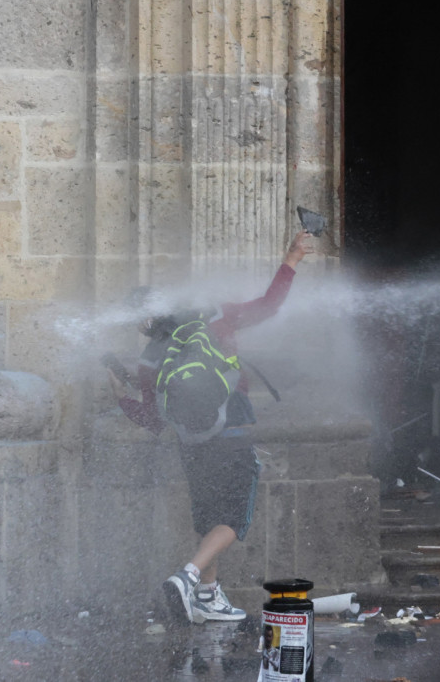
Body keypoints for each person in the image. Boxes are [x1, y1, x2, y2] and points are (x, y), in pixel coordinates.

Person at [110, 230, 314, 623]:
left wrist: (121, 397)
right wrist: (292, 259)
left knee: (207, 519)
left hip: (192, 443)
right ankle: (188, 578)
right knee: (234, 520)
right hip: (233, 431)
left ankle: (207, 595)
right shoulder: (215, 317)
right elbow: (269, 306)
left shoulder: (150, 358)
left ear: (143, 322)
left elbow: (154, 421)